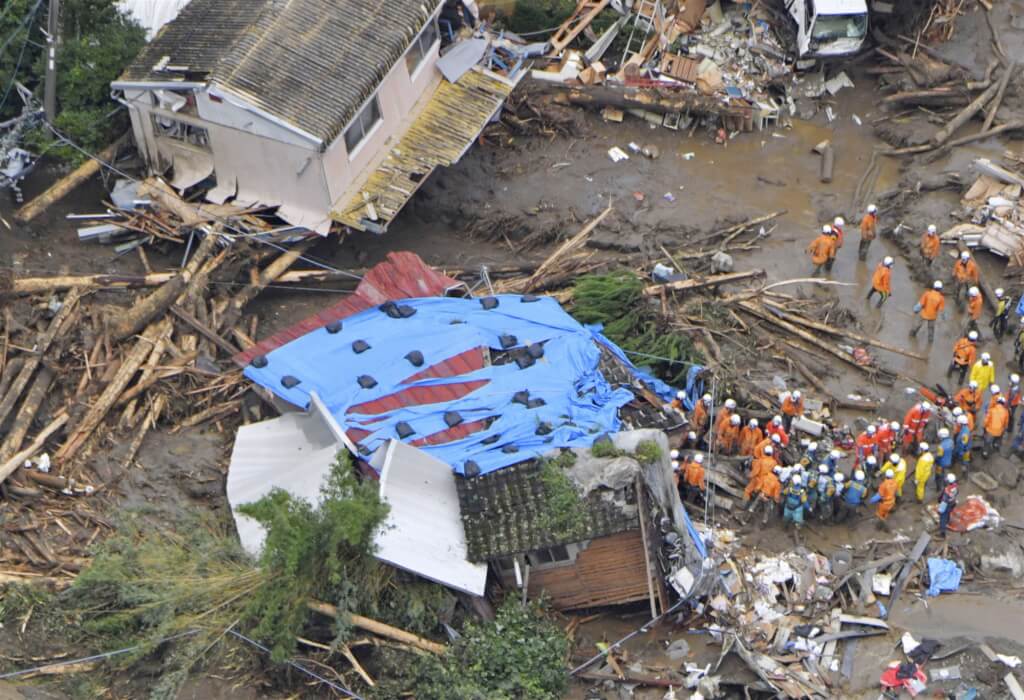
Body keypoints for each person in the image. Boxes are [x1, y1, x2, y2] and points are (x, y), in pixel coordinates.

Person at [937, 473, 959, 538]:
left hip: (946, 504)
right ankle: (947, 521)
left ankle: (942, 533)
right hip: (952, 503)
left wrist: (940, 510)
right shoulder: (956, 487)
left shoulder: (947, 490)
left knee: (942, 517)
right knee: (948, 513)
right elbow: (957, 493)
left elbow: (944, 501)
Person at [935, 427, 954, 492]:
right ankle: (946, 486)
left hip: (941, 464)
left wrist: (935, 461)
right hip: (948, 462)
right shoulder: (951, 442)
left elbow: (939, 456)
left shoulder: (941, 446)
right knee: (946, 475)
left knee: (938, 476)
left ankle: (939, 488)